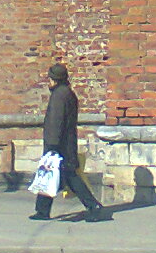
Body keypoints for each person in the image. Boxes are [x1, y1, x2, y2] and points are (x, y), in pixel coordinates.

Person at [31, 62, 110, 222]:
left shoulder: (60, 95)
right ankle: (42, 210)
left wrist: (52, 146)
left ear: (53, 79)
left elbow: (56, 121)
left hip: (60, 145)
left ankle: (93, 206)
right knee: (50, 176)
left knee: (68, 176)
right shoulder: (67, 93)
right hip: (64, 143)